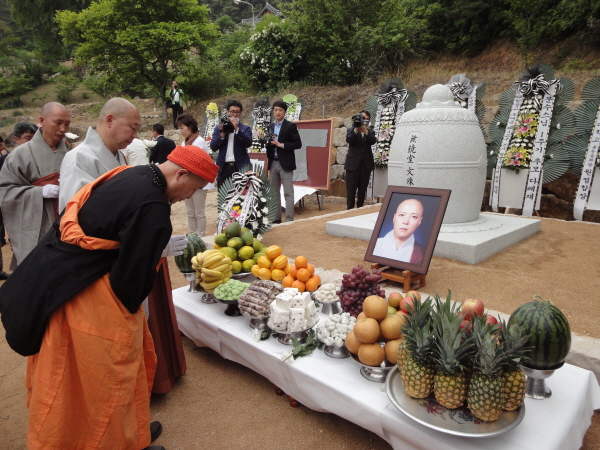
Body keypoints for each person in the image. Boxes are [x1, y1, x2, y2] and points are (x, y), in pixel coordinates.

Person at [0, 145, 219, 450]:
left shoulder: (132, 174)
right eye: (192, 189)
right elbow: (130, 284)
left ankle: (131, 434)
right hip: (88, 300)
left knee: (75, 380)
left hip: (55, 280)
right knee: (107, 379)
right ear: (181, 173)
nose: (187, 197)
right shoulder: (154, 207)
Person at [0, 102, 70, 268]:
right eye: (58, 123)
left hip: (68, 223)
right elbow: (4, 190)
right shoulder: (20, 154)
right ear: (42, 120)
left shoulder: (72, 152)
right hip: (37, 226)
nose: (63, 129)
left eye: (67, 124)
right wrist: (39, 192)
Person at [58, 97, 137, 212]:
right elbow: (77, 212)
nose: (135, 135)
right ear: (109, 120)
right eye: (133, 128)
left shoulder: (120, 156)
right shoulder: (79, 157)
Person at [265, 100, 303, 223]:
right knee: (274, 192)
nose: (277, 112)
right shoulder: (270, 126)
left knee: (288, 192)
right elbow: (268, 144)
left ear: (284, 112)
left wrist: (281, 145)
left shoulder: (290, 126)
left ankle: (289, 219)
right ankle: (276, 218)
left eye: (280, 110)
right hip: (273, 162)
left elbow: (298, 144)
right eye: (275, 110)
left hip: (285, 162)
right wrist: (266, 142)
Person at [177, 114, 212, 236]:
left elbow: (195, 162)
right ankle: (192, 236)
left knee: (199, 212)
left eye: (182, 128)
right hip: (187, 182)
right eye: (179, 128)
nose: (181, 131)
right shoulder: (183, 143)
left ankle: (200, 237)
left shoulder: (199, 142)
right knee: (190, 212)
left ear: (191, 127)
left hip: (199, 182)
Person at [210, 100, 253, 186]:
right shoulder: (219, 128)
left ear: (240, 113)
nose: (234, 114)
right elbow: (213, 147)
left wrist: (237, 129)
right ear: (227, 112)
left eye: (237, 112)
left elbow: (248, 143)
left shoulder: (245, 128)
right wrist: (223, 133)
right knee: (223, 196)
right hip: (224, 167)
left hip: (240, 167)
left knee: (241, 196)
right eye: (232, 112)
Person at [373, 198, 425, 264]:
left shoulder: (420, 254)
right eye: (402, 215)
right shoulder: (376, 244)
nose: (405, 221)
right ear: (394, 217)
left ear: (419, 221)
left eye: (414, 216)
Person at [345, 110, 377, 209]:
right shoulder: (351, 130)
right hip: (352, 165)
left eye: (366, 119)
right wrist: (356, 130)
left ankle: (359, 210)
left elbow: (373, 141)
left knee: (362, 190)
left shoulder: (370, 131)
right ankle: (349, 210)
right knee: (351, 190)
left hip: (365, 165)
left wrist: (366, 132)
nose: (364, 121)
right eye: (362, 118)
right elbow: (349, 140)